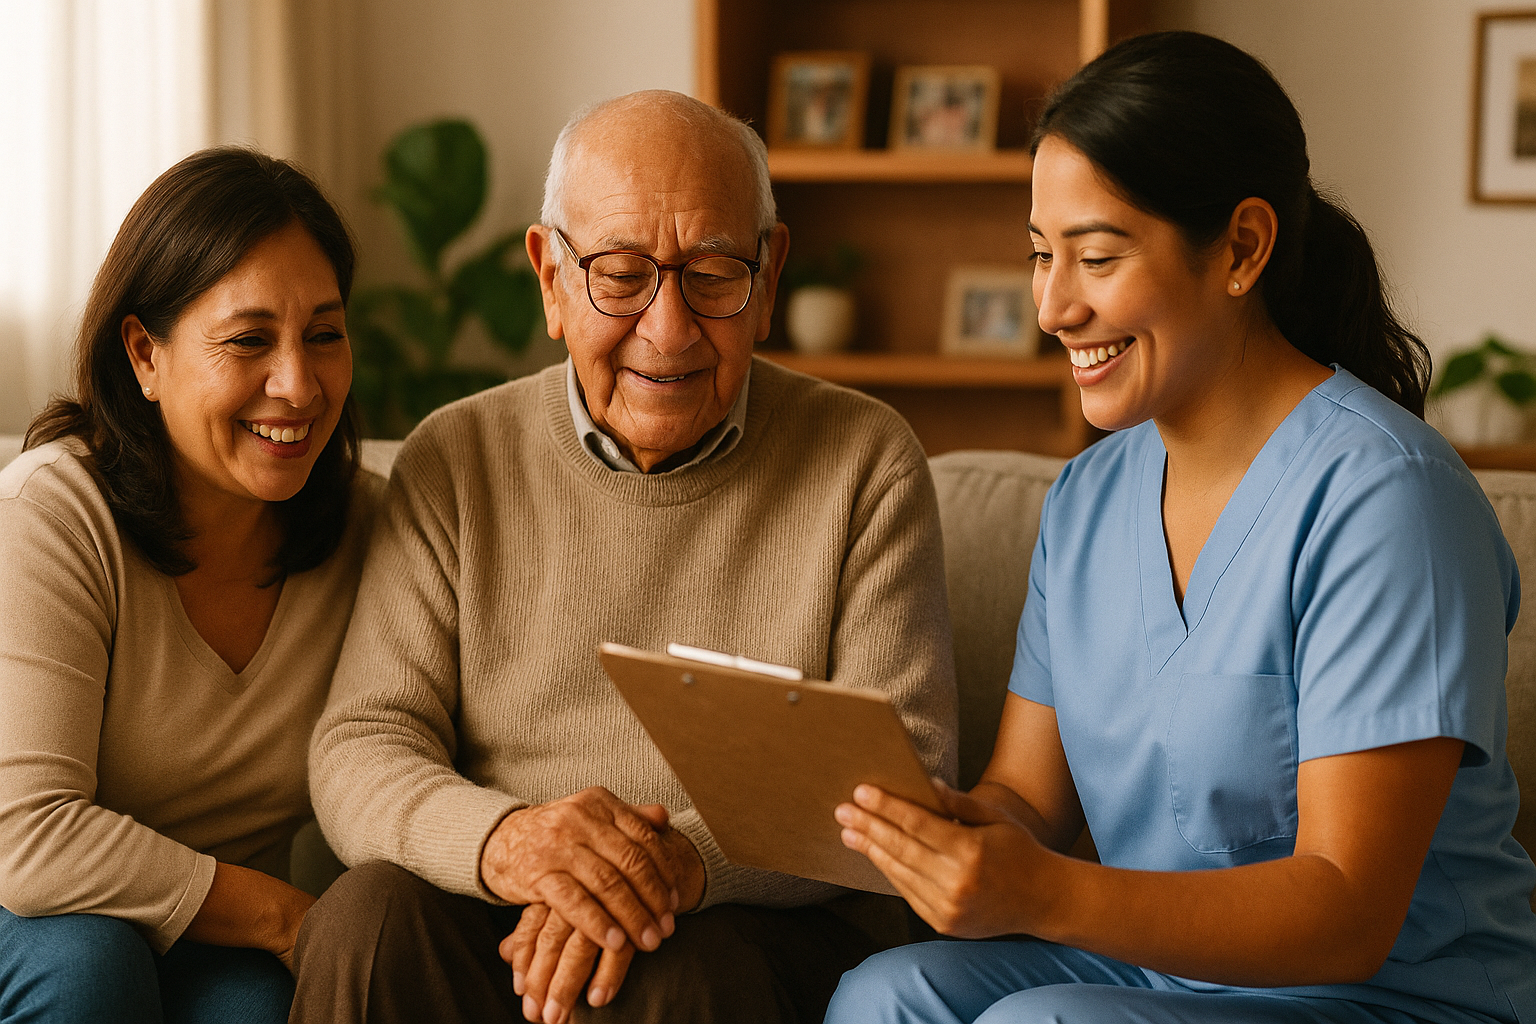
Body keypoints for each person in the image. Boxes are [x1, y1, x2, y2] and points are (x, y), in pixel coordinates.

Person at [826, 31, 1536, 1024]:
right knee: (885, 994)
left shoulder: (1388, 501)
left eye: (1097, 257)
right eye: (1040, 256)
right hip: (1163, 981)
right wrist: (935, 829)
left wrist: (1043, 890)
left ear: (1241, 247)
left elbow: (1348, 907)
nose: (1054, 306)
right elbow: (1027, 802)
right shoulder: (1085, 502)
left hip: (1389, 996)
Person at [290, 89, 958, 1024]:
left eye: (714, 271)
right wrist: (513, 844)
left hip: (747, 928)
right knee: (366, 917)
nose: (671, 326)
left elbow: (902, 777)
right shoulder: (455, 458)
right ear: (550, 278)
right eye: (621, 273)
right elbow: (363, 746)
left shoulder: (866, 461)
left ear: (769, 278)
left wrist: (670, 868)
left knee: (699, 965)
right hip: (505, 917)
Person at [0, 148, 379, 1023]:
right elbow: (29, 838)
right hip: (25, 906)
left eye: (324, 334)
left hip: (211, 941)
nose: (298, 385)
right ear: (144, 354)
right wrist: (285, 914)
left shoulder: (373, 531)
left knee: (256, 1013)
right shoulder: (53, 515)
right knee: (89, 967)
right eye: (250, 340)